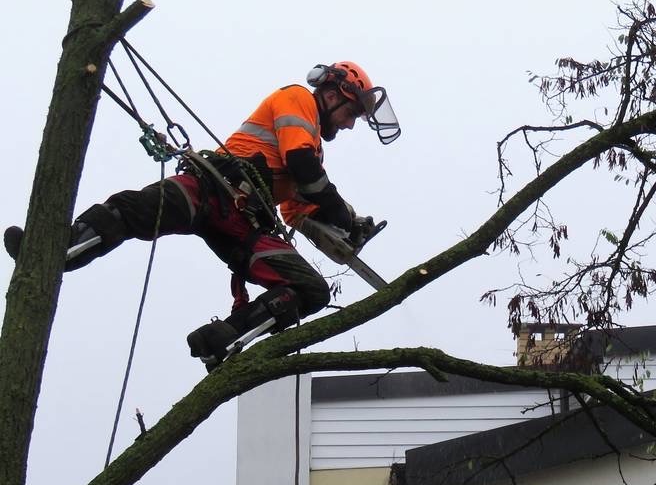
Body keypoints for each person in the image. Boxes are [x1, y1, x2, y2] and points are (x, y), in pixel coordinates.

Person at [4, 61, 400, 370]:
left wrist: (345, 224)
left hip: (245, 224)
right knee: (135, 210)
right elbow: (305, 170)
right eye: (350, 113)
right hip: (213, 187)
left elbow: (299, 210)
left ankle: (224, 338)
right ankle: (54, 249)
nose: (349, 125)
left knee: (310, 290)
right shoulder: (297, 100)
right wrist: (343, 217)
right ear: (333, 94)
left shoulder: (314, 147)